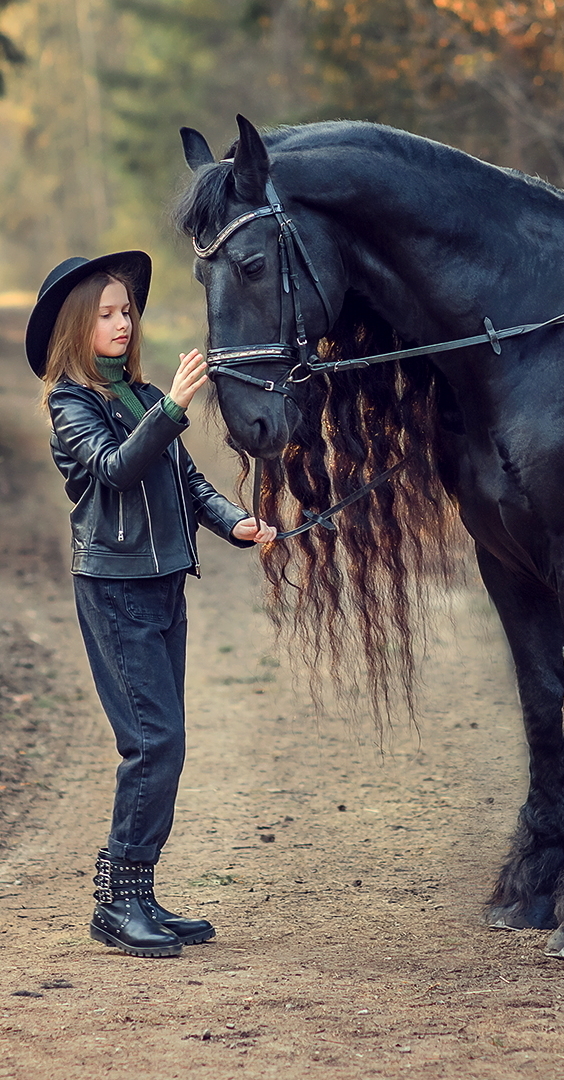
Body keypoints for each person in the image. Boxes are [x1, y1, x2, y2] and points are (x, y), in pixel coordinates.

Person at [25, 250, 276, 959]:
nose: (122, 322)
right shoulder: (71, 405)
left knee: (164, 743)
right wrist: (172, 406)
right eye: (105, 313)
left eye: (127, 310)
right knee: (152, 743)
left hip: (164, 582)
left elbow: (185, 481)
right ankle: (117, 902)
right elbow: (114, 466)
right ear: (77, 326)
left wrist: (235, 523)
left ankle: (139, 893)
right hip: (115, 588)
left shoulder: (134, 397)